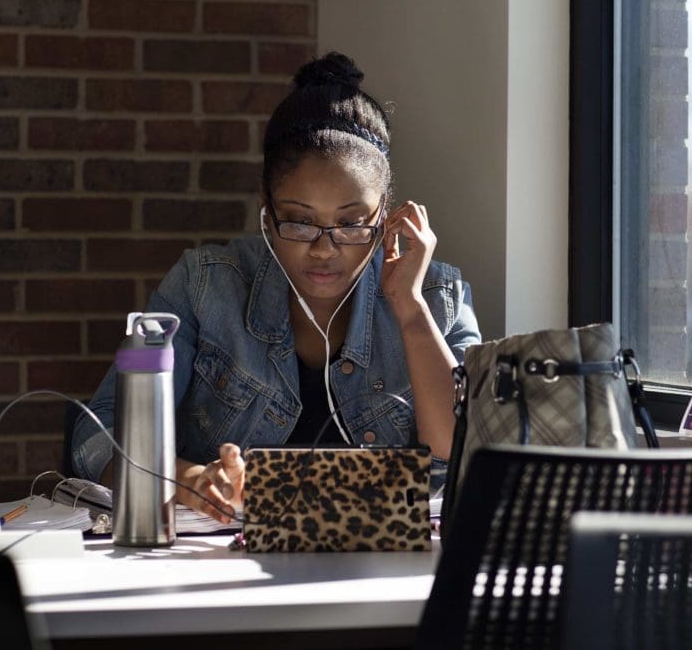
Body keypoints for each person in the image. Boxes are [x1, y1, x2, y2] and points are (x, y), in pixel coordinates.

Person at [70, 51, 481, 523]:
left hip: (382, 562)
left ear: (385, 213)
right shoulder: (206, 284)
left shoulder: (435, 295)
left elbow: (461, 452)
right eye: (300, 222)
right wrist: (187, 480)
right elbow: (95, 435)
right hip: (223, 559)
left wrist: (409, 310)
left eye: (350, 224)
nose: (324, 249)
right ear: (266, 207)